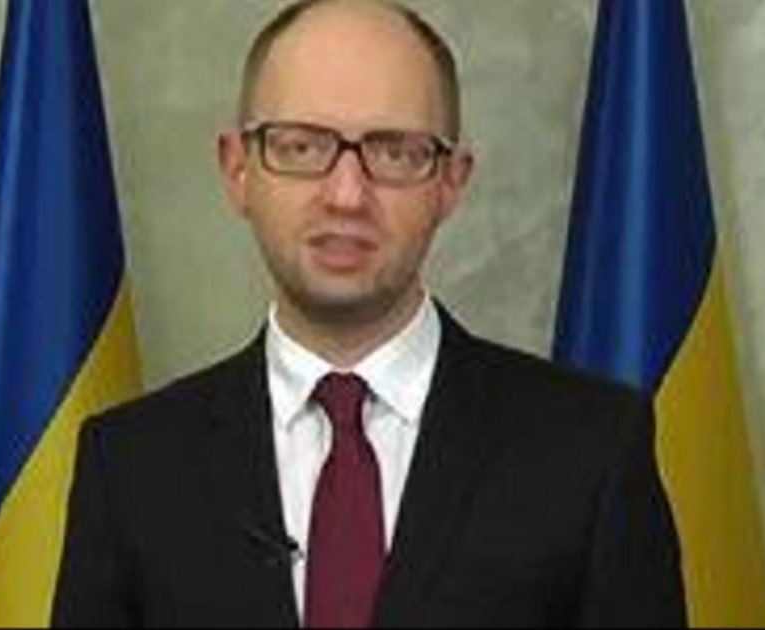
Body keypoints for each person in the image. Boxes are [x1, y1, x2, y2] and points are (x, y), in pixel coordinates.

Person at [52, 0, 685, 627]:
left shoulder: (592, 451)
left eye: (396, 152)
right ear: (238, 168)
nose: (347, 195)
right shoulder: (130, 467)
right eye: (301, 146)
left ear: (452, 180)